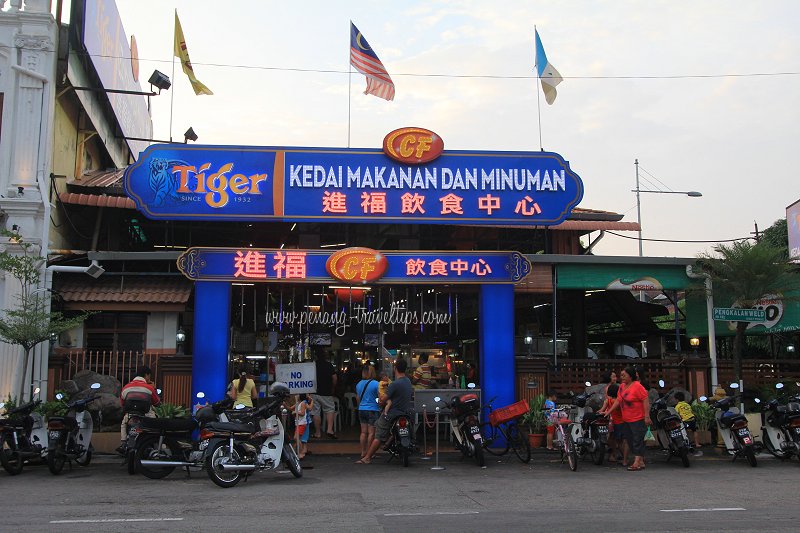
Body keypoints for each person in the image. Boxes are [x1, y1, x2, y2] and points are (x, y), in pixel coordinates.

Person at [357, 358, 413, 464]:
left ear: (395, 368)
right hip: (405, 412)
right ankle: (388, 443)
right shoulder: (408, 381)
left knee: (378, 431)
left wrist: (380, 401)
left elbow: (382, 400)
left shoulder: (394, 384)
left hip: (392, 414)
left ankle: (367, 457)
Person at [603, 366, 650, 471]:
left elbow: (645, 400)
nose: (622, 377)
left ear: (631, 375)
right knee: (629, 439)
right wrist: (608, 412)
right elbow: (618, 400)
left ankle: (637, 462)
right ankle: (640, 460)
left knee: (638, 439)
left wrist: (647, 416)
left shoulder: (638, 386)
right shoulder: (622, 386)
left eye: (624, 375)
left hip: (637, 418)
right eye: (621, 375)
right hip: (626, 418)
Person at [117, 366, 161, 455]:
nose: (149, 378)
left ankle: (123, 443)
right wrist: (154, 388)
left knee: (124, 423)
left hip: (130, 415)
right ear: (146, 375)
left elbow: (122, 403)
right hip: (146, 415)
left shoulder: (126, 387)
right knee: (155, 426)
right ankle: (154, 444)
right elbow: (157, 403)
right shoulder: (149, 388)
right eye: (149, 376)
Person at [312, 351, 338, 439]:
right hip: (326, 392)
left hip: (314, 392)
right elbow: (334, 378)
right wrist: (333, 387)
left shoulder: (313, 365)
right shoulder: (329, 365)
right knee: (330, 409)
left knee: (316, 412)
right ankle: (329, 430)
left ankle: (317, 433)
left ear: (316, 357)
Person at [356, 365, 380, 458]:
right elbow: (378, 397)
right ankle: (370, 453)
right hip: (373, 409)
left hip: (361, 409)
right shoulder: (376, 384)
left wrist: (360, 406)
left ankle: (363, 451)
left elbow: (358, 398)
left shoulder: (359, 384)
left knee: (363, 432)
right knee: (371, 433)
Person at [601, 382, 627, 465]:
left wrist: (601, 412)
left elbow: (602, 410)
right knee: (620, 442)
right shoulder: (619, 400)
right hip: (621, 422)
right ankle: (624, 458)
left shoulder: (608, 401)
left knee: (614, 440)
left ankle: (620, 457)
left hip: (614, 423)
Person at [294, 394, 314, 459]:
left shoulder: (304, 402)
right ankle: (299, 451)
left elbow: (308, 409)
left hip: (304, 422)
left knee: (301, 438)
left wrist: (312, 401)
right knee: (299, 438)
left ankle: (302, 452)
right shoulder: (300, 403)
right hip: (301, 422)